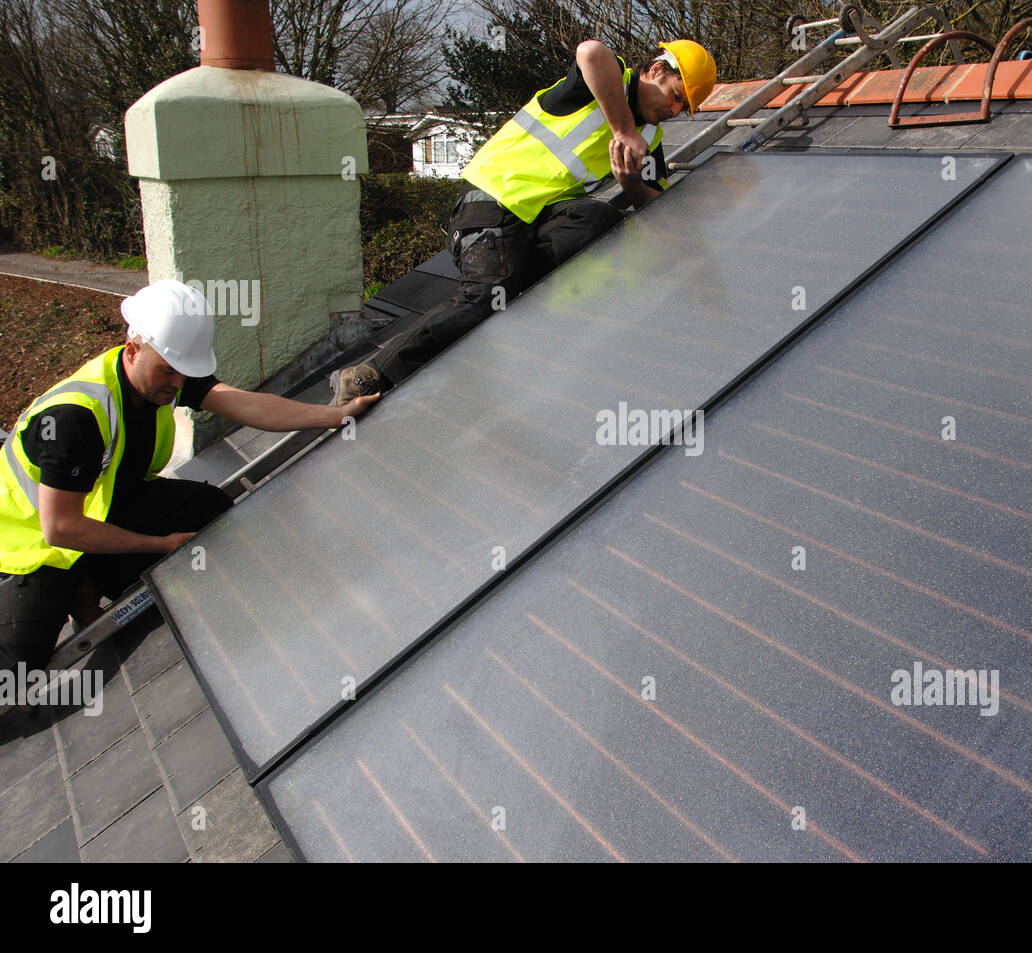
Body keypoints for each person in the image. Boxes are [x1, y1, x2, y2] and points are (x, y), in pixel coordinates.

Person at [0, 279, 380, 675]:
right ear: (133, 349)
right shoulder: (76, 418)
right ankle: (75, 587)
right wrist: (160, 544)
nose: (179, 384)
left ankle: (91, 583)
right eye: (169, 372)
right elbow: (60, 528)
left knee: (210, 511)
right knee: (20, 665)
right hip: (30, 546)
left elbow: (247, 406)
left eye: (184, 373)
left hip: (96, 515)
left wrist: (335, 416)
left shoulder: (161, 374)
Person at [330, 38, 717, 404]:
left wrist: (632, 183)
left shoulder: (650, 138)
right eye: (677, 96)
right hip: (492, 202)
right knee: (484, 296)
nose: (676, 111)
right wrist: (623, 130)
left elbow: (662, 208)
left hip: (538, 221)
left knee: (600, 216)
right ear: (653, 70)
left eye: (685, 109)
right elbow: (591, 51)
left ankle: (518, 295)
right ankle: (368, 374)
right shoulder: (606, 81)